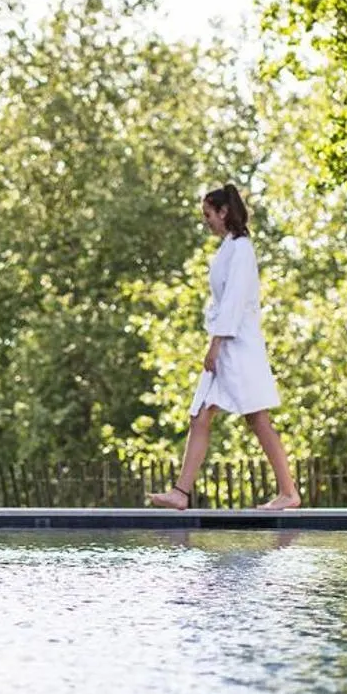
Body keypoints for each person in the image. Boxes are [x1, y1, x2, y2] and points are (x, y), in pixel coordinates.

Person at [147, 184, 301, 511]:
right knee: (200, 415)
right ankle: (180, 492)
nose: (206, 221)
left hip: (238, 347)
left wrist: (214, 346)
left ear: (224, 212)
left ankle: (289, 492)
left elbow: (232, 302)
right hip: (225, 345)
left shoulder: (242, 248)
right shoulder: (228, 247)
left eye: (208, 215)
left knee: (257, 419)